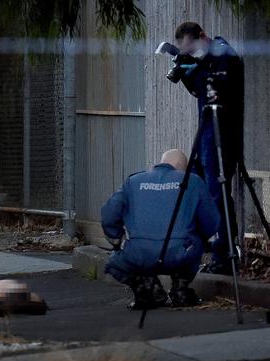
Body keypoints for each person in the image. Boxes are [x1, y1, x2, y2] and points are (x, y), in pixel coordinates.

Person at [102, 149, 221, 309]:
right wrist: (200, 239)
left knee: (114, 261)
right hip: (180, 253)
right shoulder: (192, 181)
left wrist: (117, 239)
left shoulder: (134, 181)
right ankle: (180, 288)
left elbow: (109, 213)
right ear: (182, 168)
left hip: (139, 254)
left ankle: (146, 287)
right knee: (195, 243)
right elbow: (212, 222)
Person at [174, 22, 244, 275]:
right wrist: (185, 73)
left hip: (221, 135)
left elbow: (221, 90)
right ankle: (194, 247)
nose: (192, 54)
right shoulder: (207, 59)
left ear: (202, 36)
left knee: (217, 194)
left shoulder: (223, 53)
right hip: (206, 132)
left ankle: (225, 253)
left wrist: (199, 69)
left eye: (192, 48)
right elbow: (200, 91)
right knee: (193, 187)